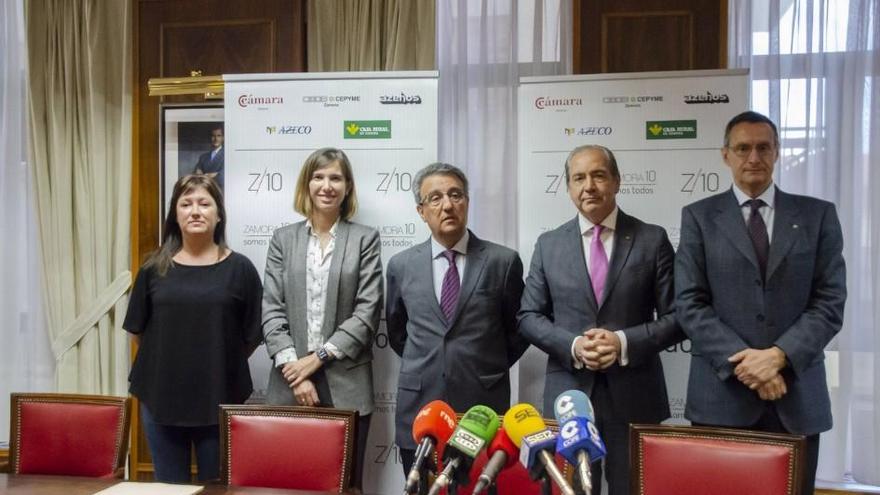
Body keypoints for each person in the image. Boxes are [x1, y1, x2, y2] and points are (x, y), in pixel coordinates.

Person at [675, 111, 846, 495]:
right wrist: (749, 363)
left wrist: (779, 356)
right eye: (743, 148)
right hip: (721, 398)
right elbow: (689, 302)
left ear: (777, 152)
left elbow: (830, 300)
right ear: (725, 155)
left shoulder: (818, 216)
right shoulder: (699, 217)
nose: (754, 157)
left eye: (763, 147)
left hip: (796, 396)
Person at [518, 145, 684, 495]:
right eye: (579, 178)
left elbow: (678, 316)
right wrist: (575, 346)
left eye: (598, 175)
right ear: (568, 188)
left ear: (617, 181)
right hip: (570, 394)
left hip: (636, 394)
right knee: (573, 489)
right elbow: (528, 316)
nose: (589, 186)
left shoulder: (651, 239)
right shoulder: (548, 245)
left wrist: (622, 342)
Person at [386, 162, 528, 474]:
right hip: (420, 408)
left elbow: (519, 331)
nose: (447, 204)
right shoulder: (401, 265)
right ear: (421, 211)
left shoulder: (502, 262)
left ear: (466, 202)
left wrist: (483, 362)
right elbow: (398, 332)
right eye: (435, 198)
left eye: (455, 195)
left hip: (482, 408)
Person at [124, 174, 262, 482]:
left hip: (219, 397)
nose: (195, 211)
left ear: (219, 213)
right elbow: (138, 332)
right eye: (186, 204)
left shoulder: (241, 269)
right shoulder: (153, 267)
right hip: (161, 398)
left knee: (217, 487)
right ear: (175, 213)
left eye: (204, 203)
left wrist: (216, 360)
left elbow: (251, 336)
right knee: (169, 488)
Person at [262, 147, 382, 490]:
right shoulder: (283, 239)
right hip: (290, 385)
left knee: (347, 485)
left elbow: (367, 312)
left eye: (335, 178)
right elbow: (271, 309)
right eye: (318, 177)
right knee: (291, 483)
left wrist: (317, 359)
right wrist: (296, 374)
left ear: (347, 187)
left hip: (348, 385)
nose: (326, 185)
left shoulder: (364, 239)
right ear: (307, 183)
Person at [192, 124, 225, 189]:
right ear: (210, 138)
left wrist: (215, 175)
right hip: (205, 190)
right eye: (213, 136)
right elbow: (196, 173)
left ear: (223, 138)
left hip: (221, 191)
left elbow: (225, 176)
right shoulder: (203, 157)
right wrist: (198, 174)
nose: (216, 139)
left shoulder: (228, 155)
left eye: (219, 136)